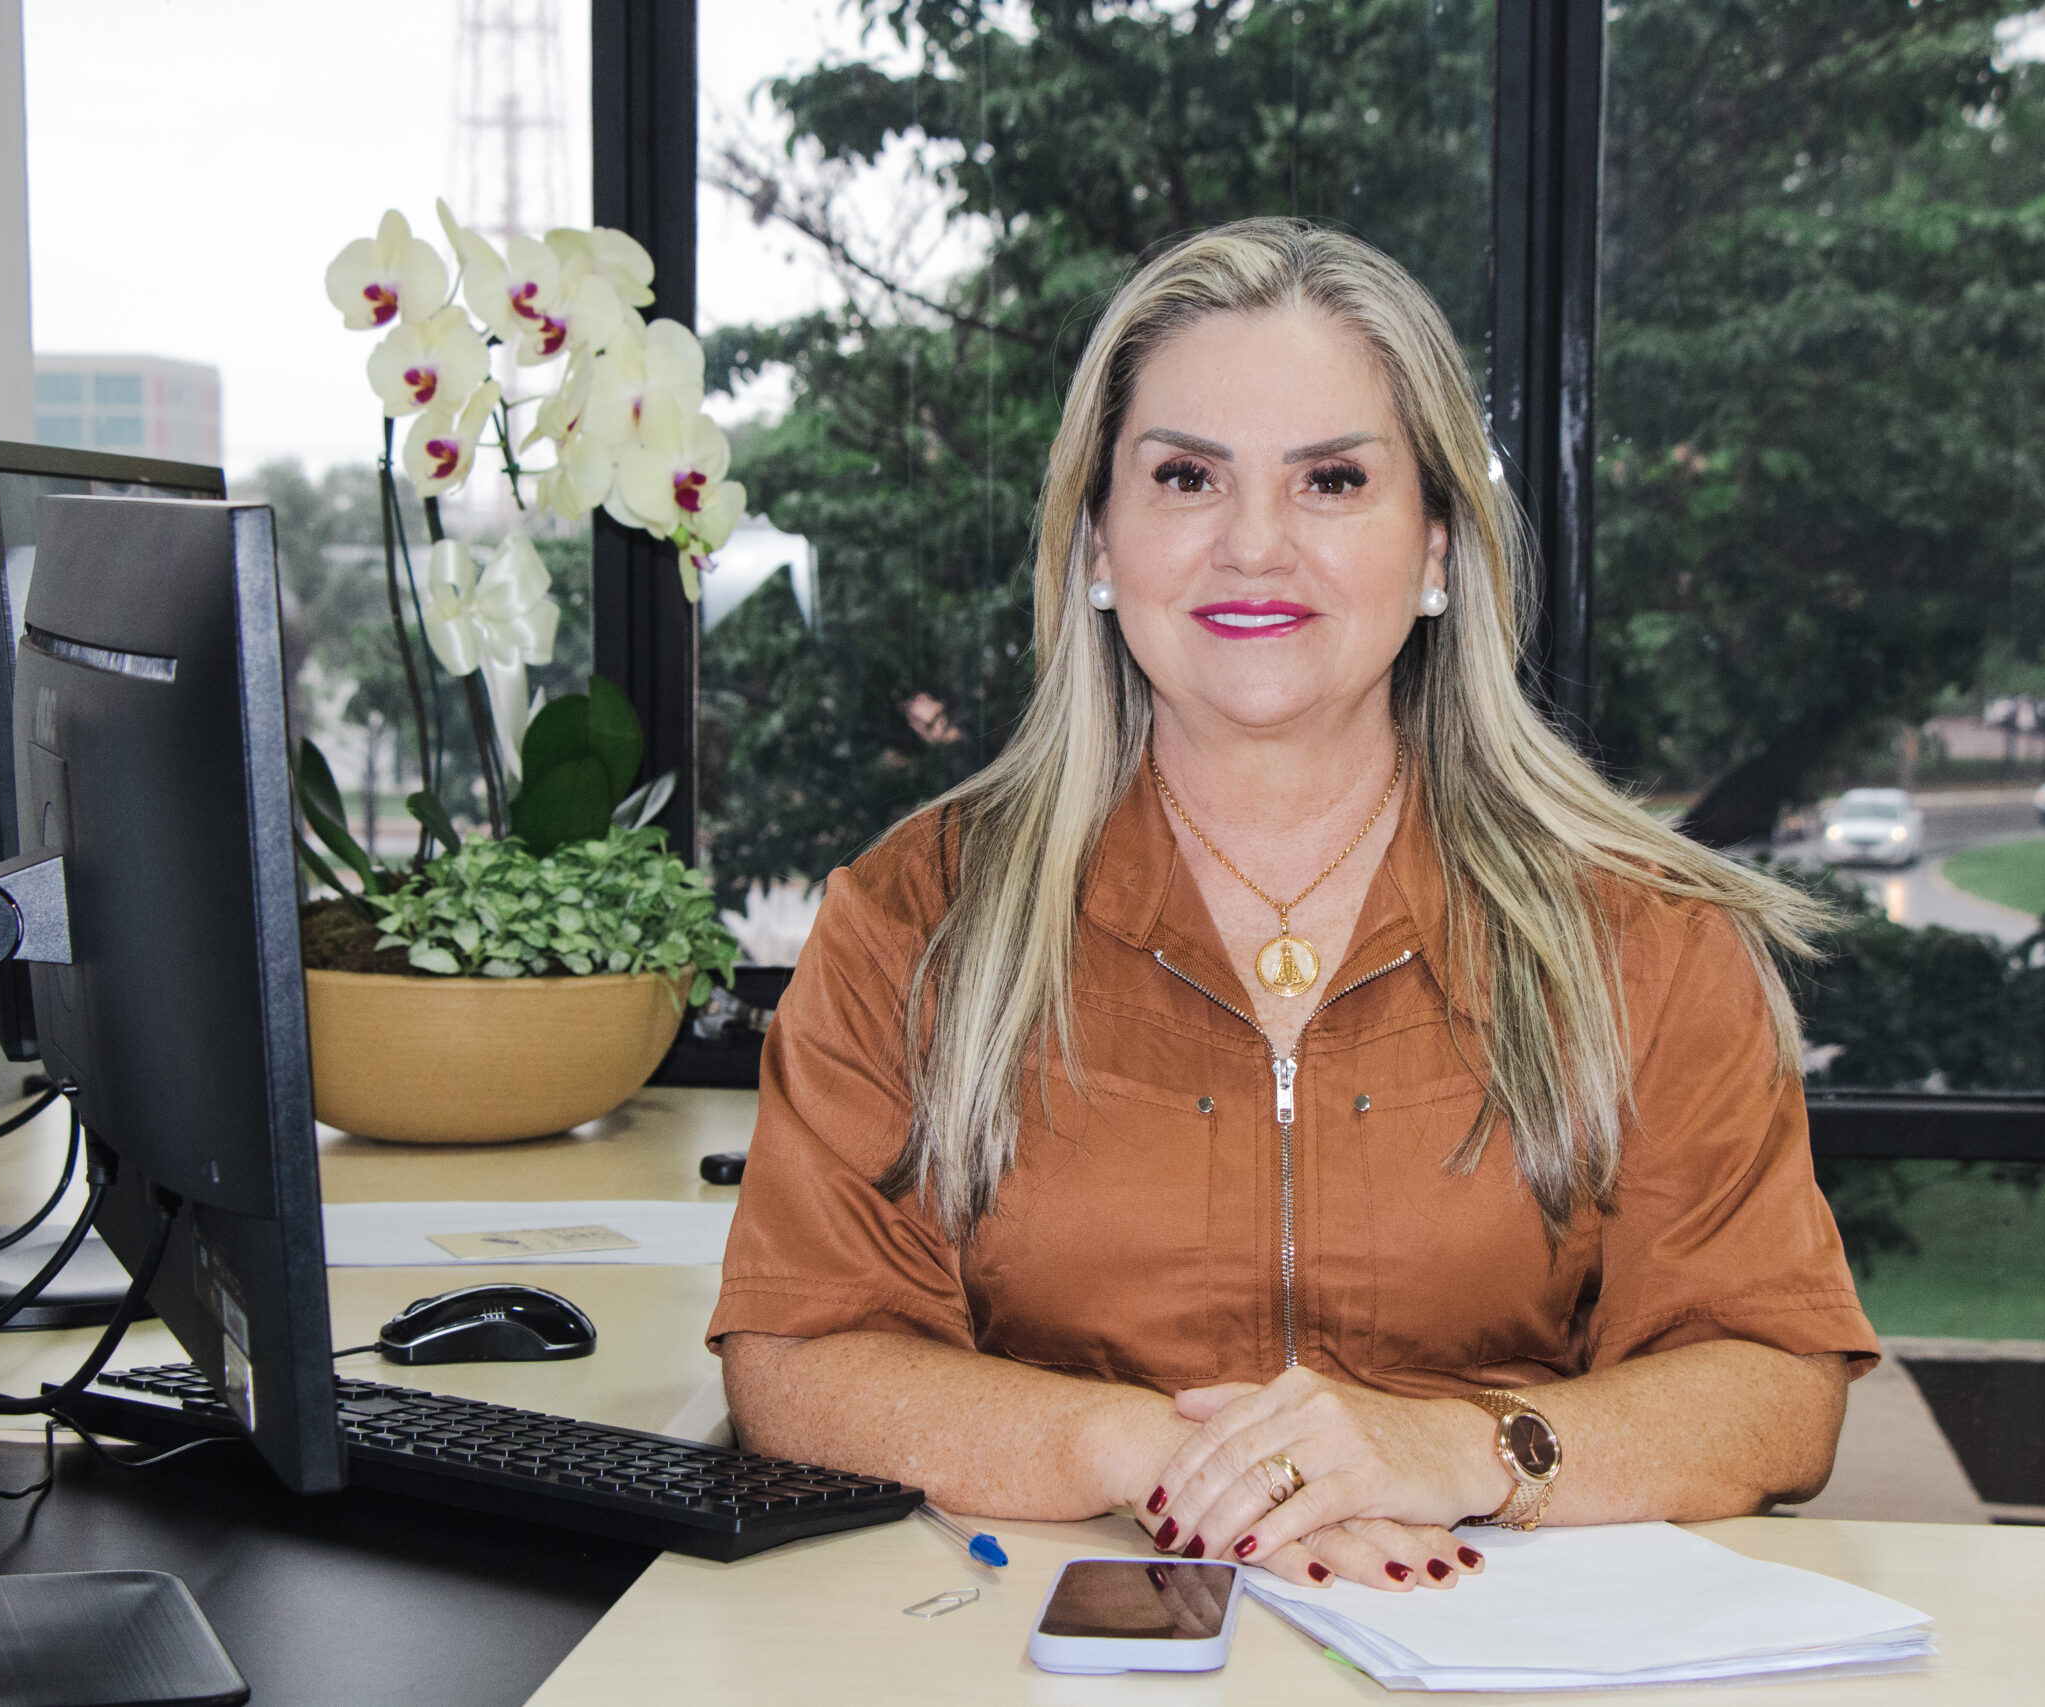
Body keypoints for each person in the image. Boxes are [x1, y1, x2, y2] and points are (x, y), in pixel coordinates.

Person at [709, 218, 1877, 1592]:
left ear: (1437, 548)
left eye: (1331, 480)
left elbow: (1774, 1382)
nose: (1255, 546)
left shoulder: (1649, 931)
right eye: (1186, 477)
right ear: (1098, 542)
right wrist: (1156, 1456)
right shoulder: (918, 916)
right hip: (1055, 1645)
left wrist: (1451, 1450)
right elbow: (797, 1359)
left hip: (1499, 1647)